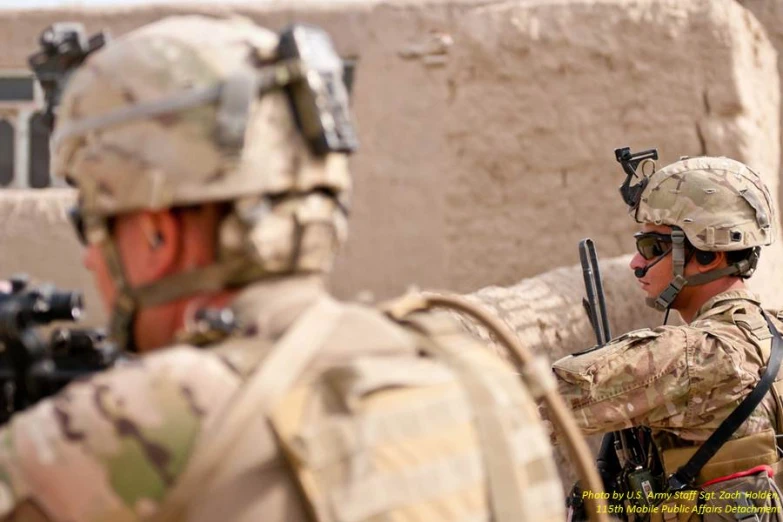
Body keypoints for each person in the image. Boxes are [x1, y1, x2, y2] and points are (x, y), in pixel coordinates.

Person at [0, 16, 568, 522]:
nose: (89, 258)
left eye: (93, 228)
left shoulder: (138, 420)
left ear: (158, 234)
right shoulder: (474, 381)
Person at [553, 153, 783, 520]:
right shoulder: (774, 334)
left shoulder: (687, 357)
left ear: (709, 256)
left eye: (653, 248)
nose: (635, 263)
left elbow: (531, 403)